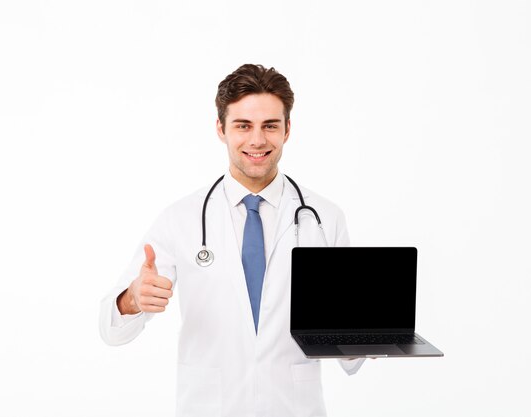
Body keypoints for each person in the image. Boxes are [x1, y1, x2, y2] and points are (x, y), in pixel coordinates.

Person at [99, 64, 365, 417]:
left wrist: (368, 333)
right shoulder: (181, 218)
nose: (257, 140)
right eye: (243, 126)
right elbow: (110, 329)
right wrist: (132, 298)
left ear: (287, 130)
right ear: (221, 129)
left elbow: (348, 349)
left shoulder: (324, 217)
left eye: (270, 125)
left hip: (294, 407)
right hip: (209, 407)